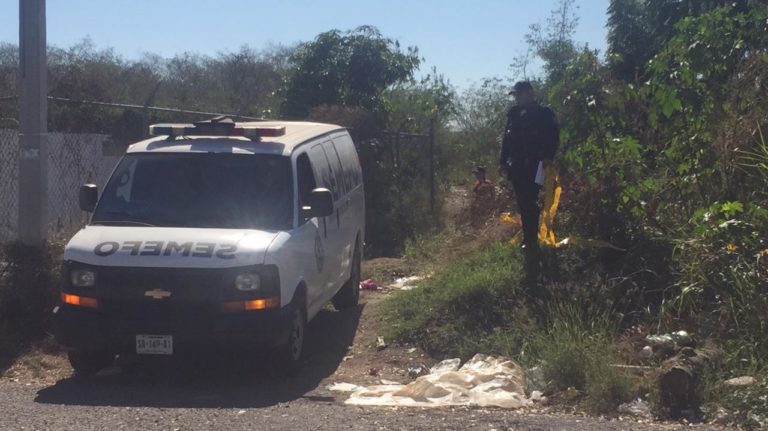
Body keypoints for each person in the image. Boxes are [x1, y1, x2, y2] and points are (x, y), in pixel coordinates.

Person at [499, 81, 559, 251]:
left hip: (536, 164)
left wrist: (548, 157)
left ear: (529, 94)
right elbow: (507, 140)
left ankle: (532, 239)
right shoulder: (513, 115)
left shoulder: (544, 113)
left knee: (531, 200)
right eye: (515, 95)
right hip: (517, 165)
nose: (516, 98)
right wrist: (503, 161)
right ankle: (529, 237)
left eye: (519, 94)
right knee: (523, 201)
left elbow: (553, 137)